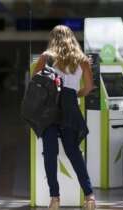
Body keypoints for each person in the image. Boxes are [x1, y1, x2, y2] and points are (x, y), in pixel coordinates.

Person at [33, 25, 95, 210]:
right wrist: (75, 94)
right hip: (70, 107)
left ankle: (55, 199)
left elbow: (34, 79)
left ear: (53, 38)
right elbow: (89, 87)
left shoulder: (46, 57)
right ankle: (89, 197)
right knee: (74, 152)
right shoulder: (82, 60)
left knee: (50, 153)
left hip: (50, 108)